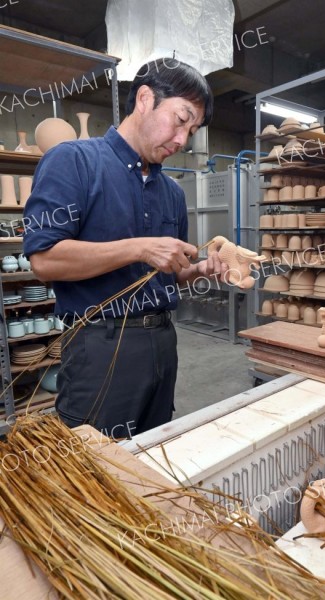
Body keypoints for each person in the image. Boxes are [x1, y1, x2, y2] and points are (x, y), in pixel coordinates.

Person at [23, 58, 227, 438]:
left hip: (164, 343)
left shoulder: (172, 193)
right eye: (181, 120)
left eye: (193, 130)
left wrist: (198, 271)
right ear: (146, 99)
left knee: (151, 457)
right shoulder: (74, 162)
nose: (183, 140)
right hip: (100, 345)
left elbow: (171, 272)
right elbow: (44, 260)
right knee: (96, 468)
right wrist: (139, 248)